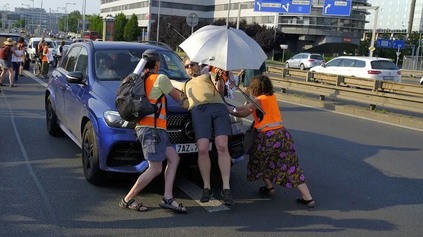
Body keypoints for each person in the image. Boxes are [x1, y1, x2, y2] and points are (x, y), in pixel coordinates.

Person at [227, 75, 315, 208]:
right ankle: (307, 197)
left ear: (255, 88)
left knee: (258, 161)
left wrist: (228, 110)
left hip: (268, 137)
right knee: (291, 166)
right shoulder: (271, 97)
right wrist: (234, 107)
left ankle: (269, 186)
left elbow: (243, 113)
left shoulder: (259, 100)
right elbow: (245, 108)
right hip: (282, 135)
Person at [119, 49, 187, 213]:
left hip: (154, 129)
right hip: (152, 130)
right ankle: (127, 199)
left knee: (173, 158)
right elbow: (179, 98)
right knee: (155, 168)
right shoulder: (160, 78)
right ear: (157, 63)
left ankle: (168, 198)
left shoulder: (137, 79)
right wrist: (188, 93)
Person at [182, 57, 234, 205]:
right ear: (185, 70)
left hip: (218, 107)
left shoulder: (208, 75)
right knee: (203, 148)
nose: (190, 67)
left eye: (192, 64)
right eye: (187, 66)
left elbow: (220, 90)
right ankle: (206, 187)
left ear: (198, 66)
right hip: (198, 110)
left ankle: (226, 187)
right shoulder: (185, 83)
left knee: (222, 144)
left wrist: (219, 77)